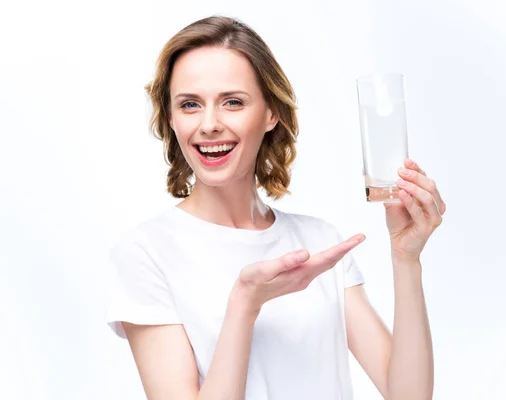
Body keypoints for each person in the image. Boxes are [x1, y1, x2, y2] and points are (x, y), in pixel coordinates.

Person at [105, 15, 446, 400]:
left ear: (271, 113)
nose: (210, 124)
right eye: (189, 104)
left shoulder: (318, 241)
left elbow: (410, 396)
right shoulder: (147, 253)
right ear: (171, 117)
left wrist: (406, 259)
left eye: (232, 102)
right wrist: (244, 304)